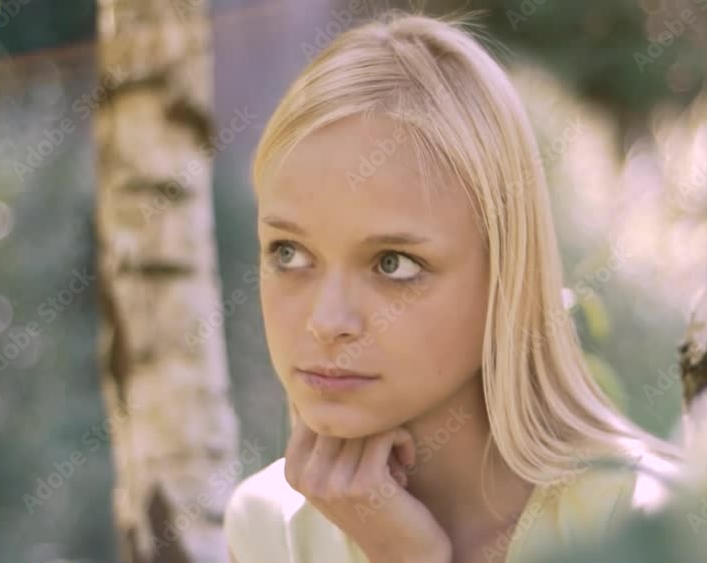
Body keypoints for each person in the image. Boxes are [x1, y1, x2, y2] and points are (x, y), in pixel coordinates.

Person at [224, 11, 680, 563]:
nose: (326, 321)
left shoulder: (647, 527)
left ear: (505, 272)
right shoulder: (269, 529)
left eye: (392, 264)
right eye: (289, 253)